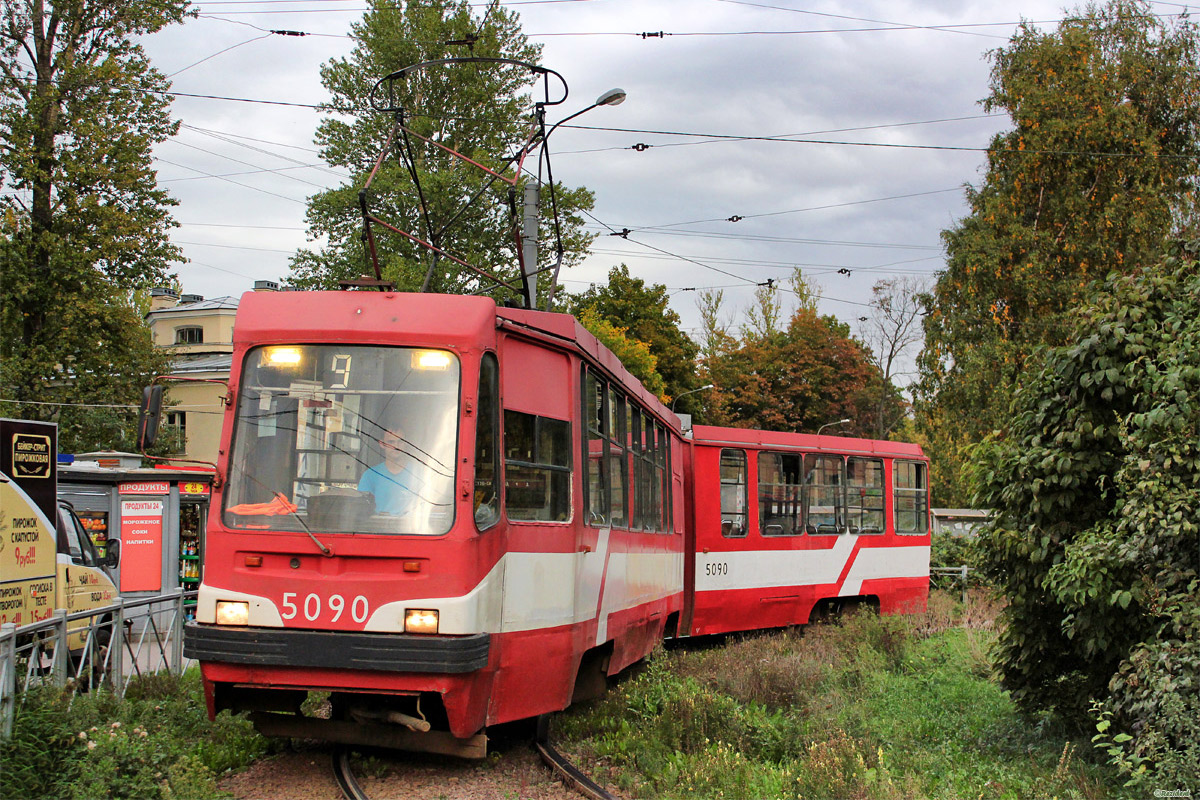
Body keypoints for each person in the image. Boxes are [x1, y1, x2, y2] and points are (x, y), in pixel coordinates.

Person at [357, 428, 424, 516]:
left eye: (400, 442)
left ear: (406, 443)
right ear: (382, 444)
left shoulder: (420, 474)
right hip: (377, 527)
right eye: (391, 442)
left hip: (410, 528)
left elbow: (431, 506)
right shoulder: (370, 475)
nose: (396, 446)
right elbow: (360, 508)